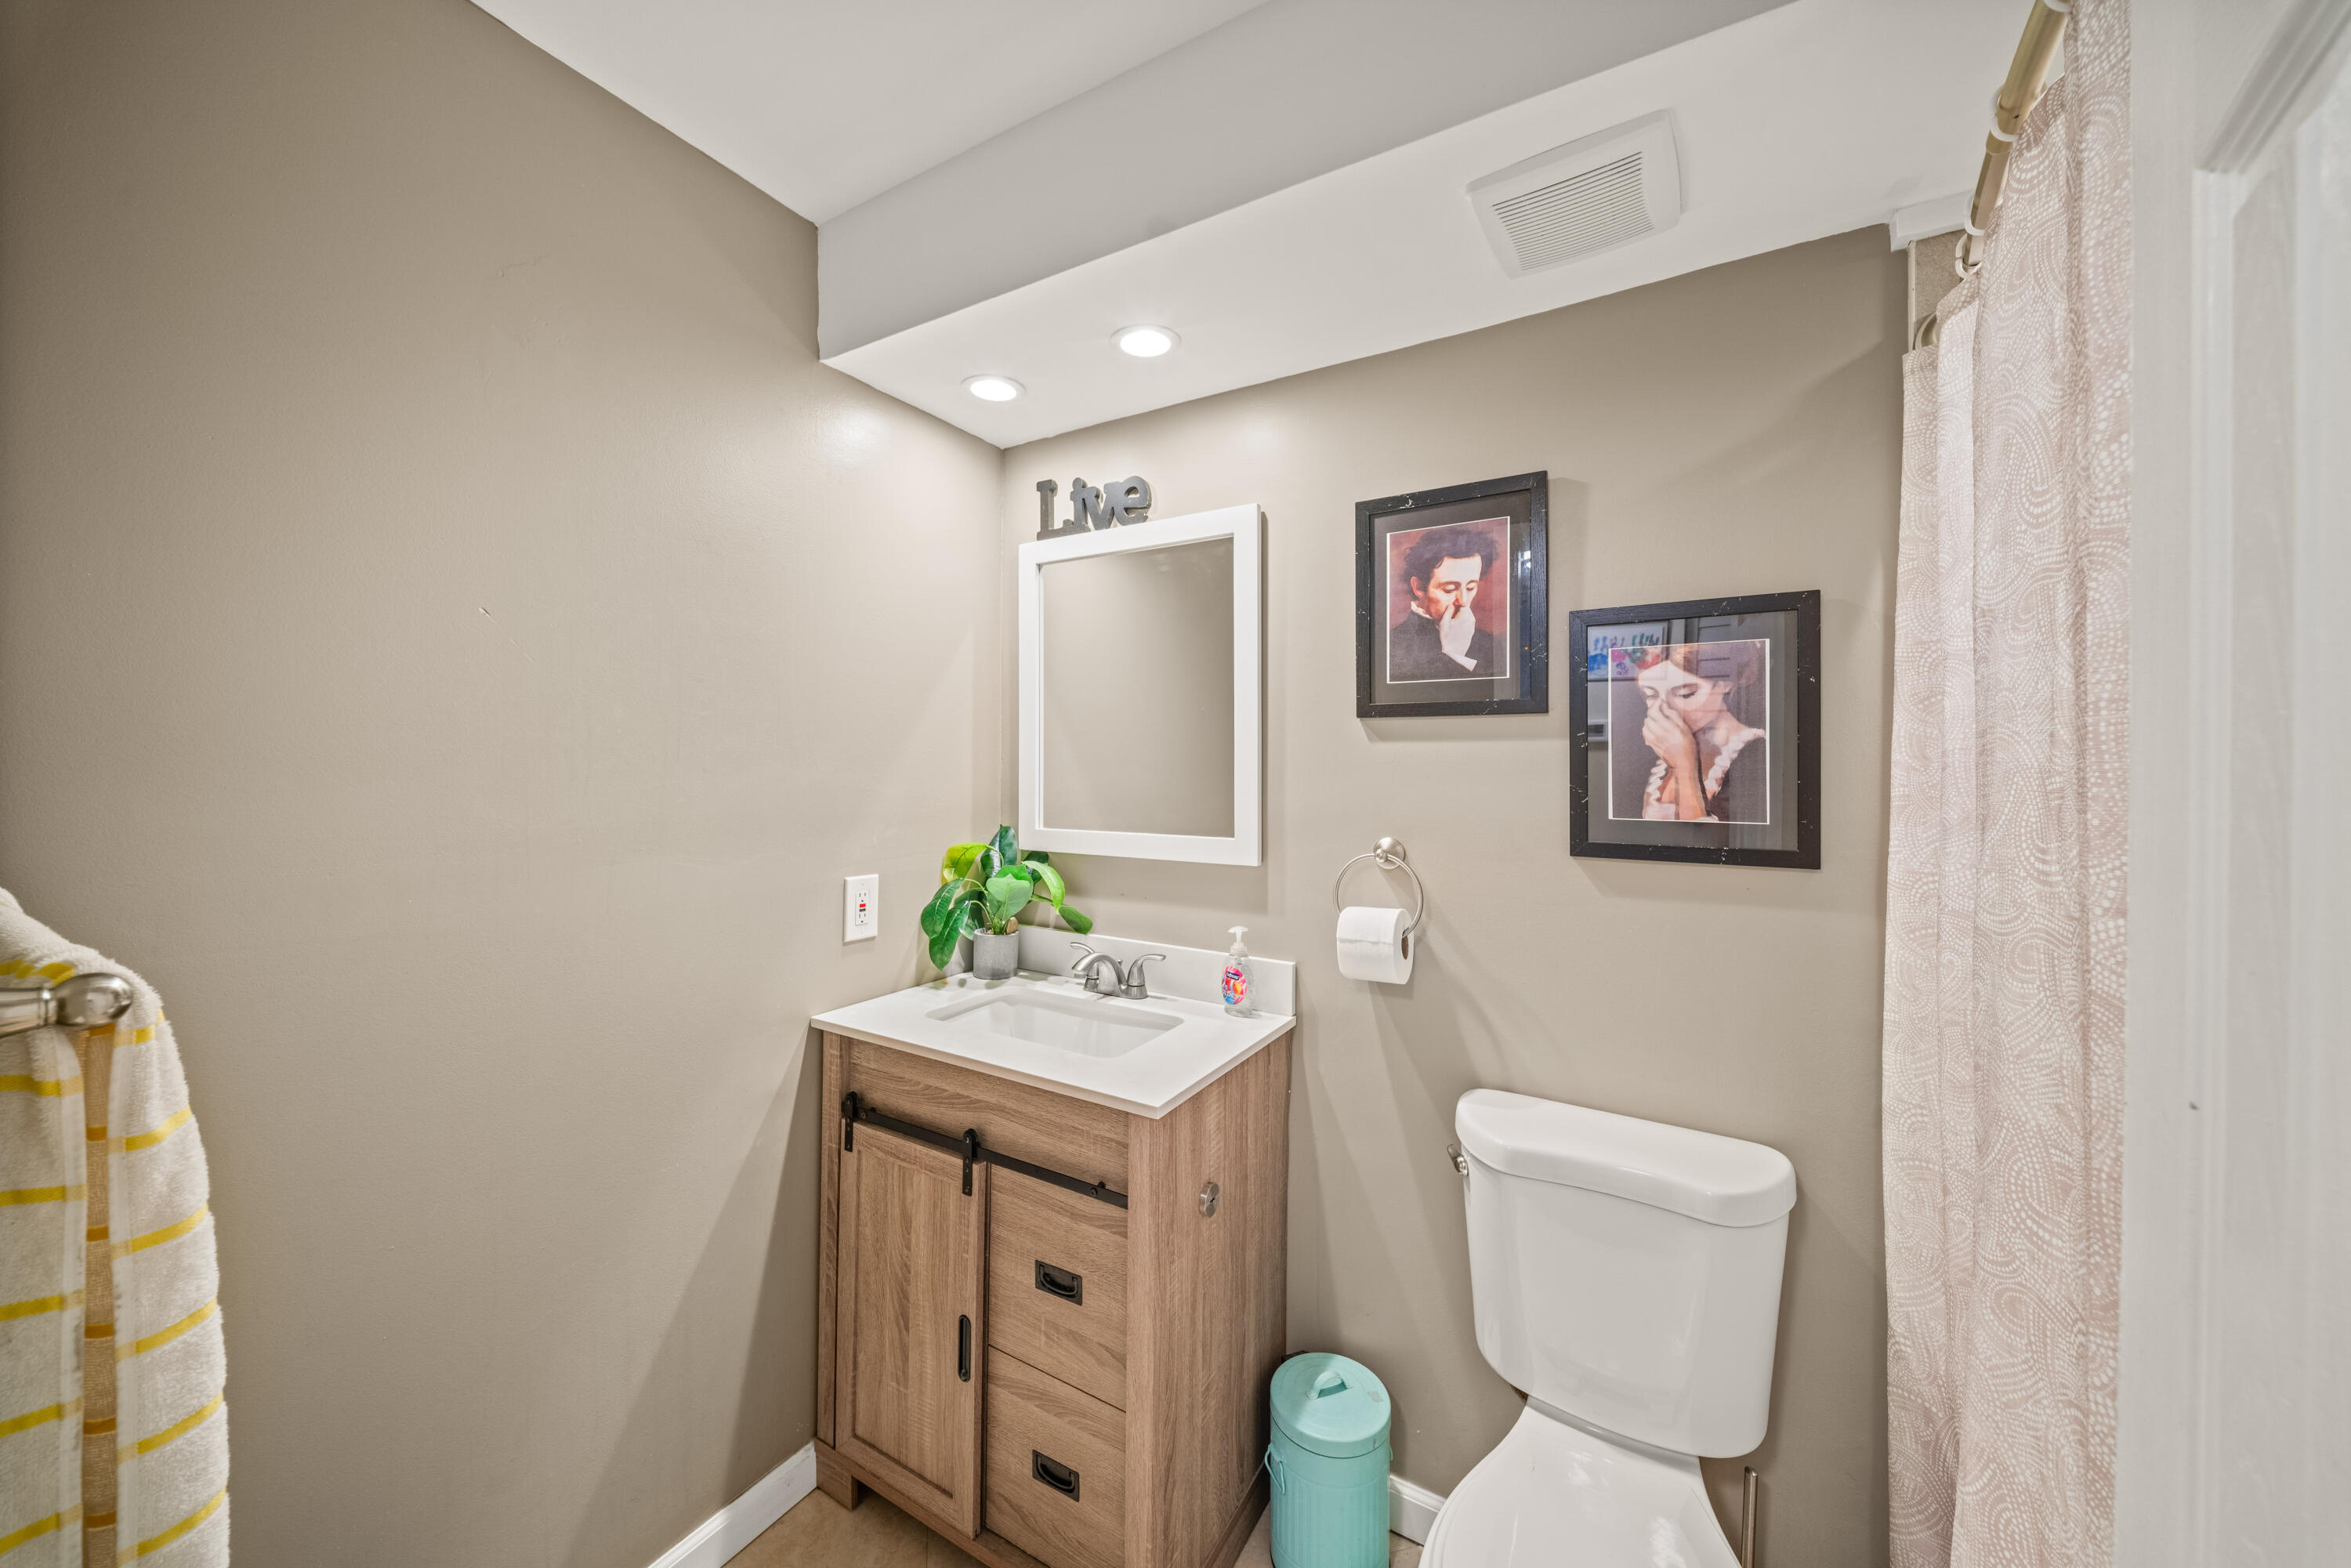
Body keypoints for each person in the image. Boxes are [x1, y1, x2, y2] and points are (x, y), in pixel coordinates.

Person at [1621, 641, 1770, 824]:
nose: (1665, 711)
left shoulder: (1757, 757)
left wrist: (1684, 765)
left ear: (1725, 684)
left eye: (1686, 694)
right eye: (1652, 696)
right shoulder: (1653, 759)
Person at [1389, 525, 1502, 681]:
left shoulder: (1492, 645)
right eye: (1449, 589)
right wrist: (1453, 656)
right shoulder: (1392, 645)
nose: (1463, 601)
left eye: (1471, 587)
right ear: (1419, 587)